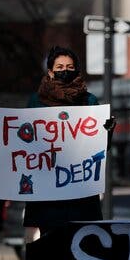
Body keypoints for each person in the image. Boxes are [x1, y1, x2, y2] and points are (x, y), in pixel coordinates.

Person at [15, 46, 114, 241]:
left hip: (79, 194)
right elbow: (23, 141)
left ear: (77, 70)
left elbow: (101, 147)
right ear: (50, 71)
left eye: (69, 66)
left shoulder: (89, 101)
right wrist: (3, 145)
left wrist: (107, 132)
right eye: (59, 66)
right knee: (50, 250)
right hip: (47, 196)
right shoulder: (36, 101)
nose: (65, 70)